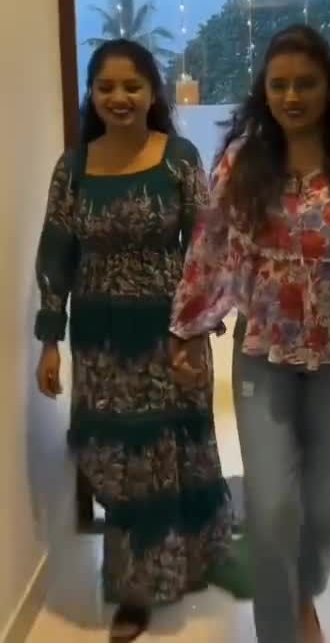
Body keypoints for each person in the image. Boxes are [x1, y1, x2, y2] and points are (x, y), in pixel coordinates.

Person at [169, 26, 330, 643]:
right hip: (263, 355)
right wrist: (187, 328)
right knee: (274, 507)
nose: (291, 96)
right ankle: (282, 629)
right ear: (265, 91)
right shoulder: (243, 163)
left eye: (305, 83)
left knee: (323, 507)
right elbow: (211, 246)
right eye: (279, 84)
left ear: (329, 88)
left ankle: (301, 592)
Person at [34, 39, 233, 642]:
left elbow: (207, 249)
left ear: (152, 93)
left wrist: (195, 330)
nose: (118, 97)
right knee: (117, 464)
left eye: (132, 86)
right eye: (106, 87)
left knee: (173, 456)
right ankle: (140, 577)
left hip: (169, 337)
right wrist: (49, 340)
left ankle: (149, 587)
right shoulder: (73, 167)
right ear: (92, 95)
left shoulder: (178, 159)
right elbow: (55, 256)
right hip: (100, 344)